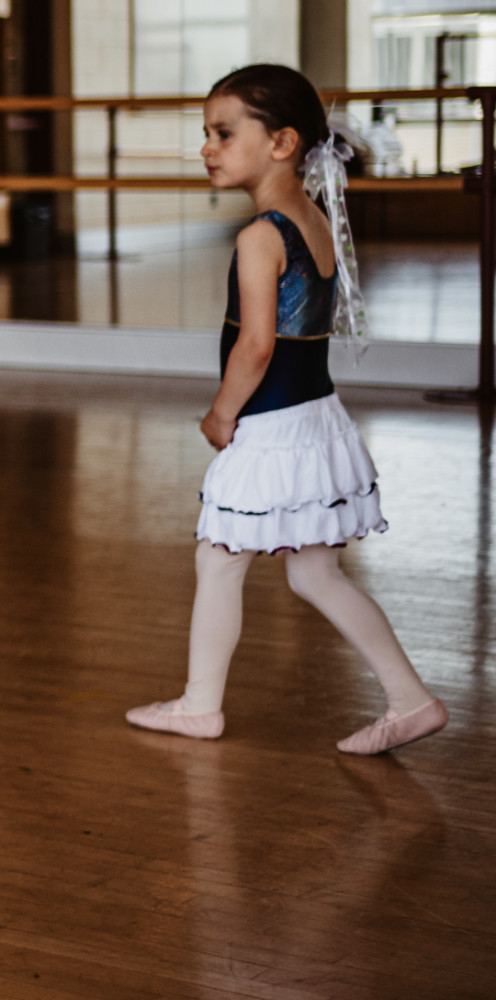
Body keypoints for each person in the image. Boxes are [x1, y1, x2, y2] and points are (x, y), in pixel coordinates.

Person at [125, 64, 446, 755]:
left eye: (223, 133)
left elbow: (257, 345)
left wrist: (221, 414)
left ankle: (199, 706)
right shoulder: (315, 220)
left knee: (220, 559)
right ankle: (411, 699)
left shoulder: (260, 236)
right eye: (206, 133)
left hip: (271, 429)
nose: (207, 148)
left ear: (282, 142)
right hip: (317, 418)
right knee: (314, 573)